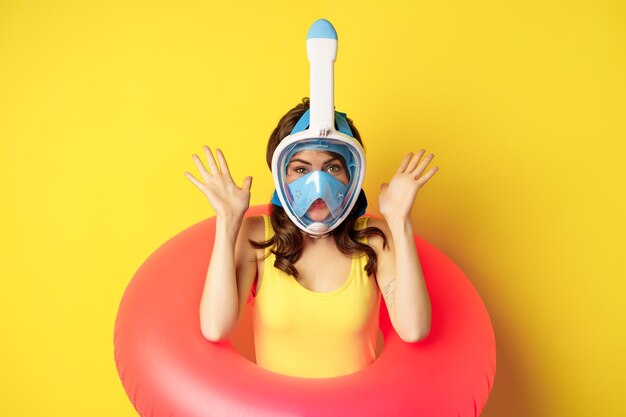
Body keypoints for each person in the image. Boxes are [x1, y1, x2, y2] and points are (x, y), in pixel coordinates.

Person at [184, 97, 438, 378]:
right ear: (282, 176)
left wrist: (400, 221)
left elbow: (414, 329)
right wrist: (228, 220)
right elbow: (215, 327)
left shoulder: (374, 238)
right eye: (301, 169)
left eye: (332, 168)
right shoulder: (257, 234)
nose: (318, 185)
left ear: (351, 174)